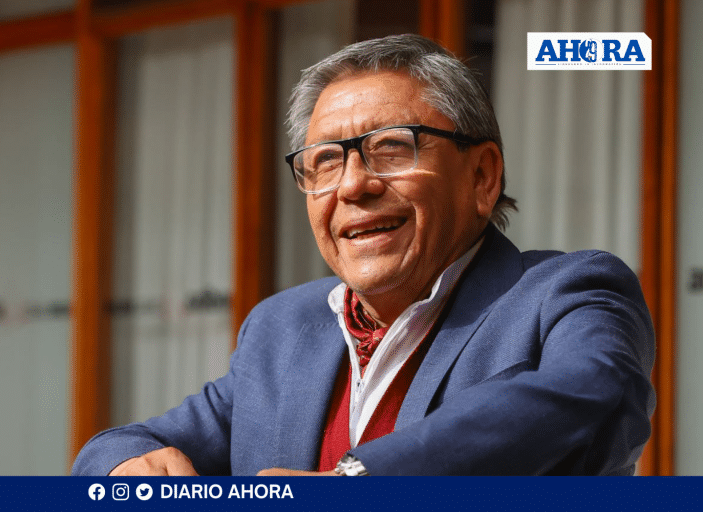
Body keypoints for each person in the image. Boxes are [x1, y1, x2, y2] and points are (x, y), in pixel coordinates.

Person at [71, 34, 655, 476]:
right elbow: (124, 445)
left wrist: (359, 482)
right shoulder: (281, 329)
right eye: (325, 161)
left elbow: (594, 392)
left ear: (482, 176)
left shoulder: (567, 292)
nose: (353, 185)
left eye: (393, 148)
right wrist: (126, 468)